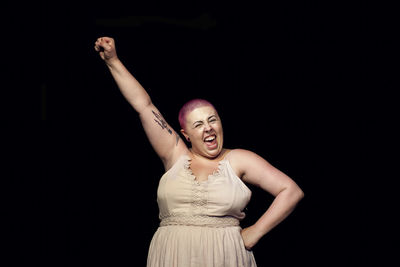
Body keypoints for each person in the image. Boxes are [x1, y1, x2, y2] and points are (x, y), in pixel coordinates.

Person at [94, 36, 304, 267]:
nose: (208, 128)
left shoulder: (239, 159)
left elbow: (291, 191)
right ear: (186, 134)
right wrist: (113, 61)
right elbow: (143, 106)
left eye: (212, 120)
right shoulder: (175, 155)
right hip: (173, 255)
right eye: (198, 125)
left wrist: (256, 231)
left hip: (225, 257)